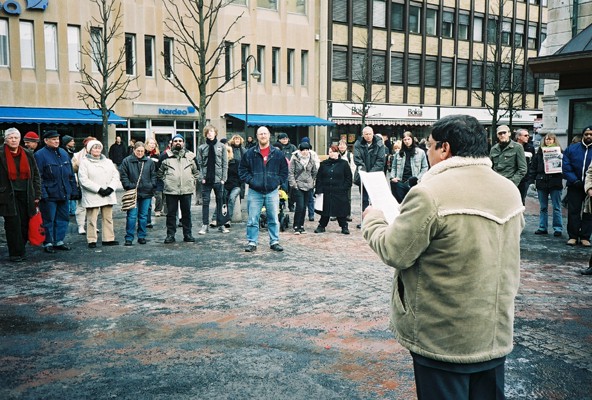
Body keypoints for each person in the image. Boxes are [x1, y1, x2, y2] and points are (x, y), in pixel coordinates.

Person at [362, 114, 524, 399]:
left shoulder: (429, 192)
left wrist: (373, 221)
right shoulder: (508, 190)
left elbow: (395, 251)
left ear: (445, 149)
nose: (427, 151)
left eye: (430, 145)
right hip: (493, 332)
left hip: (443, 336)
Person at [238, 126, 288, 252]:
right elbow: (242, 170)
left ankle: (274, 241)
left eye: (265, 133)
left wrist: (276, 182)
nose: (263, 136)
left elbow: (284, 172)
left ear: (269, 135)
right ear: (257, 136)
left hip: (272, 191)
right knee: (253, 218)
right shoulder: (250, 153)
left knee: (273, 218)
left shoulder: (278, 154)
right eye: (261, 134)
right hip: (255, 191)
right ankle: (252, 242)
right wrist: (252, 181)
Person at [0, 128, 41, 262]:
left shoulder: (28, 154)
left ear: (20, 139)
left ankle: (21, 248)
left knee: (24, 223)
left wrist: (37, 194)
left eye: (16, 138)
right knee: (12, 224)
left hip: (26, 193)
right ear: (5, 139)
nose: (13, 140)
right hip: (7, 195)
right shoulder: (1, 154)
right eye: (10, 137)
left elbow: (35, 175)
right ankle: (15, 253)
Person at [34, 130, 79, 253]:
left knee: (63, 218)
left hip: (63, 192)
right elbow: (38, 177)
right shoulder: (40, 155)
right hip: (49, 193)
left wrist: (73, 190)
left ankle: (58, 241)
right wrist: (43, 193)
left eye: (57, 139)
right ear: (46, 141)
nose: (56, 141)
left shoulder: (63, 153)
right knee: (48, 219)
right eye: (53, 139)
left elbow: (70, 174)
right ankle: (47, 242)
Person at [157, 134, 199, 244]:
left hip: (186, 190)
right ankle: (170, 235)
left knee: (186, 213)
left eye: (180, 140)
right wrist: (167, 181)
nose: (178, 142)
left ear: (183, 143)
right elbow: (158, 172)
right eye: (176, 141)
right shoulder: (165, 156)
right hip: (171, 190)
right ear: (172, 143)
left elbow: (196, 172)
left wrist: (190, 180)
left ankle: (188, 234)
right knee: (171, 214)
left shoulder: (190, 156)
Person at [78, 140, 120, 248]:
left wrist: (110, 188)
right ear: (89, 149)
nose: (97, 150)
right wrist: (99, 189)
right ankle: (91, 239)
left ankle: (108, 239)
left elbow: (115, 176)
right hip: (93, 194)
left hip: (108, 193)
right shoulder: (84, 162)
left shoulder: (108, 162)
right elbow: (83, 180)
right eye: (94, 148)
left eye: (98, 148)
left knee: (108, 217)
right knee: (92, 218)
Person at [119, 141, 157, 246]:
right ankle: (129, 237)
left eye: (142, 151)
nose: (140, 153)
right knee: (131, 216)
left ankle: (142, 236)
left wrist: (151, 185)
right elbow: (123, 175)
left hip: (146, 192)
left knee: (143, 216)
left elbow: (154, 175)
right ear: (134, 150)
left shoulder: (149, 162)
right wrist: (129, 185)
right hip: (132, 192)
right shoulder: (126, 161)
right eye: (138, 151)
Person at [562, 125, 592, 246]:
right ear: (583, 135)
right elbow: (566, 165)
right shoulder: (572, 149)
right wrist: (574, 180)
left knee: (589, 212)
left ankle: (585, 236)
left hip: (590, 187)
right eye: (587, 134)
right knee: (573, 211)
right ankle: (573, 236)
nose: (589, 136)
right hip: (575, 185)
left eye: (591, 134)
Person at [529, 133, 563, 236]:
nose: (548, 141)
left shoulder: (560, 152)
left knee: (556, 207)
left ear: (554, 141)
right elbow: (533, 168)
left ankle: (558, 228)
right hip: (542, 181)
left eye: (550, 139)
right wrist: (532, 181)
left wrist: (562, 159)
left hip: (555, 182)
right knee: (543, 207)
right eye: (546, 139)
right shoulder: (539, 153)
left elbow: (565, 168)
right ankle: (542, 227)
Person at [196, 125, 229, 234]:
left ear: (215, 133)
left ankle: (221, 224)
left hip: (219, 179)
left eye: (212, 131)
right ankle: (205, 225)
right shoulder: (201, 147)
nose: (210, 133)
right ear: (205, 134)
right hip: (206, 179)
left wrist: (224, 178)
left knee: (220, 201)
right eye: (208, 132)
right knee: (206, 203)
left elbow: (225, 163)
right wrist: (201, 177)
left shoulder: (222, 146)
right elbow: (199, 164)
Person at [314, 145, 352, 235]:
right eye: (330, 152)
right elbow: (319, 178)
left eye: (334, 152)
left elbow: (349, 178)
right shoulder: (323, 164)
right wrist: (319, 190)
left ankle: (344, 226)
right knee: (325, 210)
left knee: (340, 210)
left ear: (338, 152)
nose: (332, 154)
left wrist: (344, 188)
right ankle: (322, 225)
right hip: (327, 190)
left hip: (339, 191)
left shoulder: (344, 164)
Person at [353, 126, 385, 227]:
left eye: (369, 134)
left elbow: (380, 160)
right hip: (363, 175)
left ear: (373, 133)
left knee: (375, 199)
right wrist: (365, 173)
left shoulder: (379, 144)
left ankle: (375, 220)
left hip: (375, 176)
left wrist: (371, 173)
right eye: (366, 134)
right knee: (364, 199)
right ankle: (365, 220)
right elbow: (357, 159)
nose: (368, 136)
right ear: (363, 135)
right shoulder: (358, 144)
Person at [389, 131, 429, 203]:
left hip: (413, 183)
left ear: (412, 139)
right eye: (405, 140)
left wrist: (418, 178)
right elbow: (394, 167)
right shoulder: (398, 153)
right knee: (400, 204)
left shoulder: (420, 152)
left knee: (412, 203)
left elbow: (425, 167)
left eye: (408, 139)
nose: (407, 141)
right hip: (400, 181)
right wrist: (392, 177)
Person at [288, 142, 318, 234]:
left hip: (308, 186)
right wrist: (294, 184)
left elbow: (314, 172)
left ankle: (301, 225)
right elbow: (291, 172)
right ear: (299, 150)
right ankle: (296, 226)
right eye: (303, 150)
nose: (305, 152)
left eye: (306, 150)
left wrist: (311, 182)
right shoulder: (295, 159)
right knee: (300, 206)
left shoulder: (311, 159)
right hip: (298, 185)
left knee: (304, 206)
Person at [72, 136, 96, 235]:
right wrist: (77, 165)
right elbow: (73, 170)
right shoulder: (77, 155)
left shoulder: (99, 155)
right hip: (81, 185)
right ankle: (81, 226)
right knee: (81, 207)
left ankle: (92, 225)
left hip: (95, 185)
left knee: (94, 207)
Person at [515, 129, 535, 205]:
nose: (528, 137)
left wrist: (531, 178)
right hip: (513, 176)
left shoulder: (530, 148)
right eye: (525, 135)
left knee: (522, 199)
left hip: (525, 178)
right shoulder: (512, 146)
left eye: (528, 135)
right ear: (518, 137)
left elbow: (532, 163)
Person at [145, 137, 162, 222]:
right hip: (146, 178)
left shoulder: (158, 155)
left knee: (158, 195)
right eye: (150, 143)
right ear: (147, 144)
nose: (152, 145)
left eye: (153, 143)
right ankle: (147, 214)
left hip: (157, 178)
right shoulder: (144, 154)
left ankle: (158, 210)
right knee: (148, 197)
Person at [223, 145, 241, 228]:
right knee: (222, 199)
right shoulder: (221, 163)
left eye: (228, 151)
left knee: (232, 198)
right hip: (225, 185)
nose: (226, 153)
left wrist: (239, 183)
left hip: (235, 185)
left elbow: (240, 174)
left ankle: (228, 219)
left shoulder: (236, 162)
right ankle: (216, 218)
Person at [338, 139, 355, 221]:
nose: (341, 146)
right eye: (340, 145)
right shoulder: (336, 154)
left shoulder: (350, 155)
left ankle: (347, 214)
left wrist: (350, 178)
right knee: (337, 196)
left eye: (343, 145)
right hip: (337, 179)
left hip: (346, 179)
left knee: (347, 197)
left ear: (346, 146)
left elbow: (353, 167)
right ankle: (336, 213)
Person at [61, 135, 77, 215]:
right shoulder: (63, 152)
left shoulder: (71, 151)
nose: (73, 142)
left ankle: (73, 209)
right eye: (71, 141)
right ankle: (70, 210)